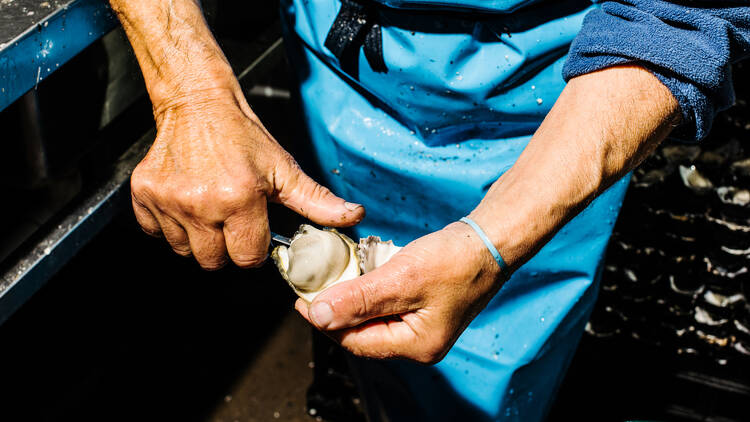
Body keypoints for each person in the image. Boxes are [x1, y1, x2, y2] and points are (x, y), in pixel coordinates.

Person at [109, 0, 750, 420]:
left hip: (559, 92)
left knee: (501, 370)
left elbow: (681, 14)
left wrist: (493, 243)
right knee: (377, 354)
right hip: (347, 56)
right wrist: (188, 88)